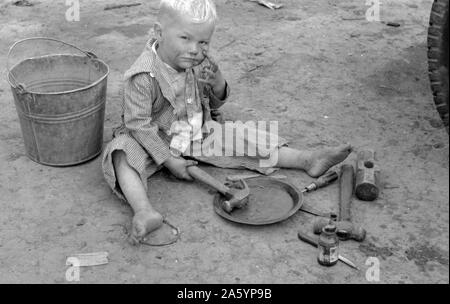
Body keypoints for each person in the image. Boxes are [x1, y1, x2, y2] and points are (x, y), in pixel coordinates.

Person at [102, 0, 352, 244]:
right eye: (185, 38)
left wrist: (217, 83)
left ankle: (306, 160)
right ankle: (145, 210)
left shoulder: (198, 63)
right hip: (150, 141)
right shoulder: (142, 75)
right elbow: (137, 125)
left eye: (203, 42)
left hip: (194, 133)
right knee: (120, 151)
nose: (194, 49)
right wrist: (168, 159)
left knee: (242, 135)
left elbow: (215, 103)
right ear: (159, 32)